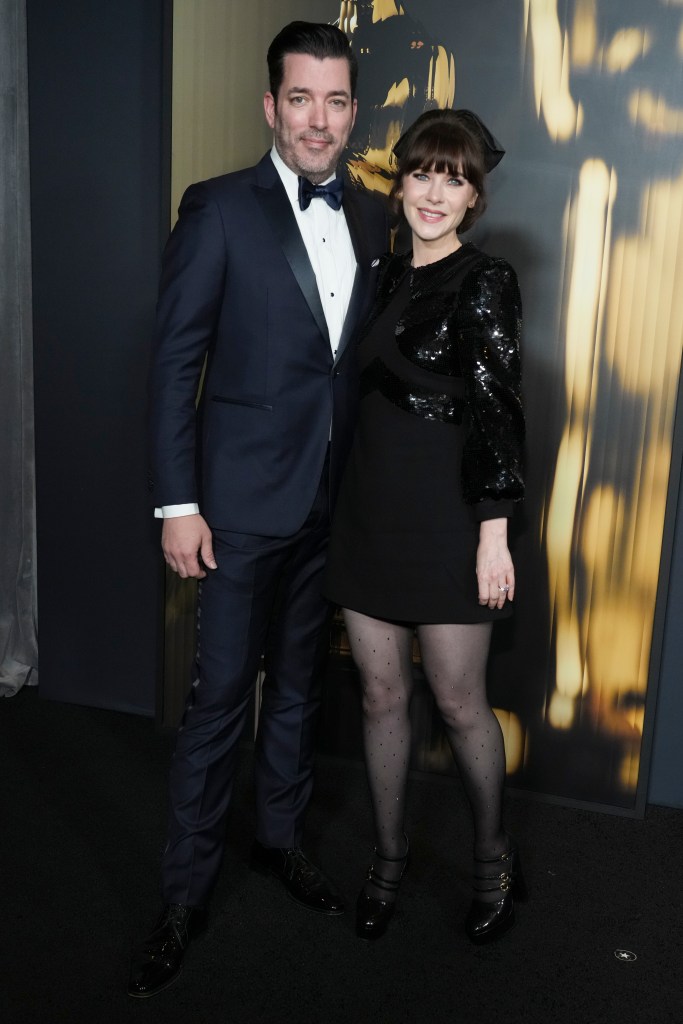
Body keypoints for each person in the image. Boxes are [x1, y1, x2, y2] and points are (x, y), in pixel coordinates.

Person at [128, 22, 388, 998]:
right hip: (232, 511)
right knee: (216, 707)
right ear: (268, 106)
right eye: (299, 98)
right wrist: (177, 503)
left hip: (329, 504)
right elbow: (174, 364)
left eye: (334, 101)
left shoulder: (369, 217)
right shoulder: (217, 209)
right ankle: (184, 896)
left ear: (351, 111)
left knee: (297, 696)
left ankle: (278, 841)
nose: (317, 119)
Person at [324, 108, 526, 945]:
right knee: (378, 696)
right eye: (423, 173)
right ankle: (387, 862)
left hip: (448, 525)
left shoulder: (484, 280)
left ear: (474, 196)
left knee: (457, 701)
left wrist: (492, 535)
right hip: (366, 516)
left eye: (455, 178)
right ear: (400, 182)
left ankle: (490, 861)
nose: (434, 192)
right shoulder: (379, 274)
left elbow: (496, 412)